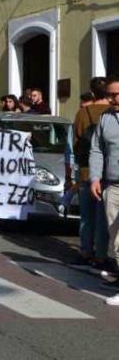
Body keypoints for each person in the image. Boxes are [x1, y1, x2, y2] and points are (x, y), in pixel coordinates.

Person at [72, 77, 111, 272]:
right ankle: (101, 256)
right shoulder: (112, 113)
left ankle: (85, 252)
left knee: (86, 217)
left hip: (87, 170)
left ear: (92, 92)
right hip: (108, 172)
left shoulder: (83, 113)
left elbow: (75, 142)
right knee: (103, 218)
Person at [89, 77, 119, 304]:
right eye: (110, 95)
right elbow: (97, 149)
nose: (112, 99)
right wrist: (95, 178)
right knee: (115, 235)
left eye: (116, 95)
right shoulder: (106, 118)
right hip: (113, 184)